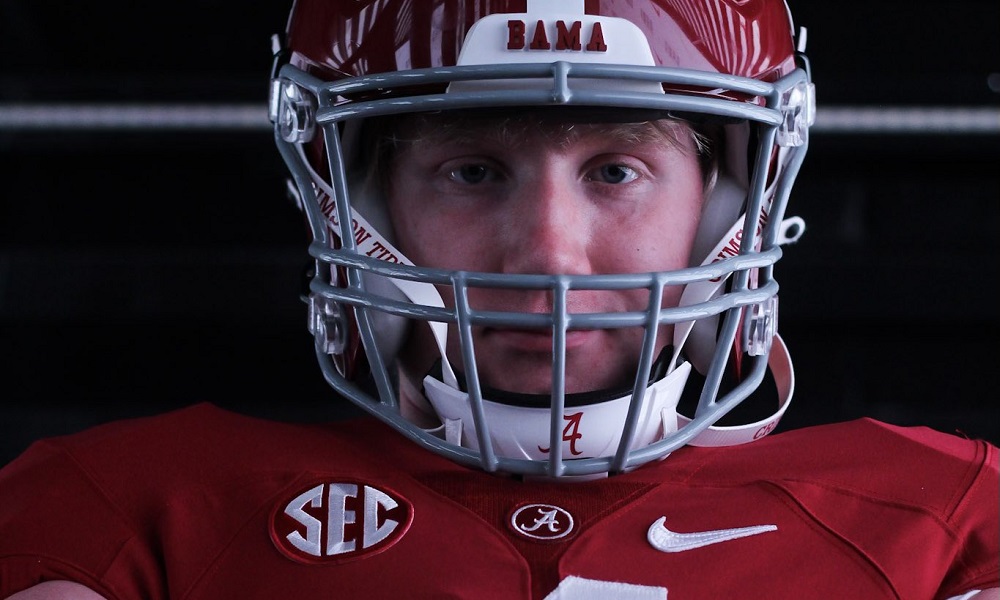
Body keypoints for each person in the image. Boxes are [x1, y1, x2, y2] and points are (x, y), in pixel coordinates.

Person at [1, 0, 997, 598]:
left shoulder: (945, 521)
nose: (551, 256)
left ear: (729, 200)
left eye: (615, 171)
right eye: (473, 171)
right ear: (356, 200)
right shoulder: (135, 514)